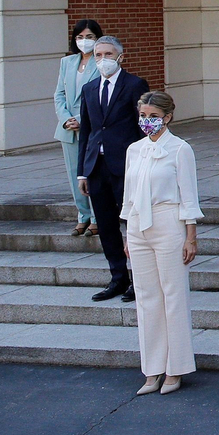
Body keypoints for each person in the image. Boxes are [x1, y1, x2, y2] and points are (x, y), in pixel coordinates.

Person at [121, 91, 201, 397]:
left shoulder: (180, 149)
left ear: (167, 117)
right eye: (143, 116)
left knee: (173, 295)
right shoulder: (134, 149)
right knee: (146, 297)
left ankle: (176, 368)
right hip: (139, 225)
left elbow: (188, 195)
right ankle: (152, 368)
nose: (147, 121)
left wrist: (190, 236)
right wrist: (128, 232)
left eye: (153, 116)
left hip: (169, 222)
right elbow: (128, 195)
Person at [76, 35, 150, 303]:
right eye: (98, 55)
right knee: (106, 225)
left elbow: (143, 125)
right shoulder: (90, 88)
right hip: (97, 166)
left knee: (132, 223)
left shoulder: (134, 85)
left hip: (126, 165)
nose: (102, 59)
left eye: (108, 54)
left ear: (120, 56)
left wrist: (145, 163)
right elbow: (87, 131)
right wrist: (82, 171)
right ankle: (118, 277)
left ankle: (138, 279)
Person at [53, 18, 102, 238]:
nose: (84, 41)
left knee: (91, 173)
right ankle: (82, 216)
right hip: (69, 129)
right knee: (74, 175)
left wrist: (81, 118)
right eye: (80, 37)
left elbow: (101, 95)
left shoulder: (102, 61)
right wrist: (66, 119)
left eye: (89, 37)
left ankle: (96, 216)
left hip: (90, 126)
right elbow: (59, 94)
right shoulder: (67, 62)